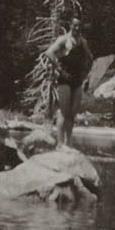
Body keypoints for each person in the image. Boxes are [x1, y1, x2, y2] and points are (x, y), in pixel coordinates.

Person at [44, 17, 93, 150]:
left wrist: (86, 74)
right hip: (65, 79)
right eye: (74, 25)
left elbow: (90, 58)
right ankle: (59, 143)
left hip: (77, 80)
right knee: (64, 112)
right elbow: (49, 53)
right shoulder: (63, 40)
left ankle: (68, 141)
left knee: (72, 113)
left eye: (79, 26)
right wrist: (59, 69)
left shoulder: (83, 42)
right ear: (70, 25)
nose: (77, 28)